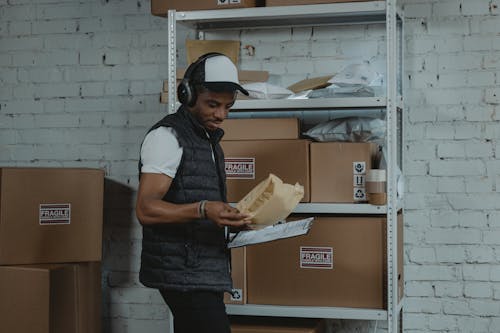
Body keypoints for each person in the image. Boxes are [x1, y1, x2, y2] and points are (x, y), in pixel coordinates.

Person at [135, 52, 252, 333]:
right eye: (212, 104)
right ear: (187, 95)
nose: (221, 115)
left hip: (203, 267)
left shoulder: (208, 140)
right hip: (182, 270)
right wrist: (204, 209)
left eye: (228, 107)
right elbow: (146, 208)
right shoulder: (167, 137)